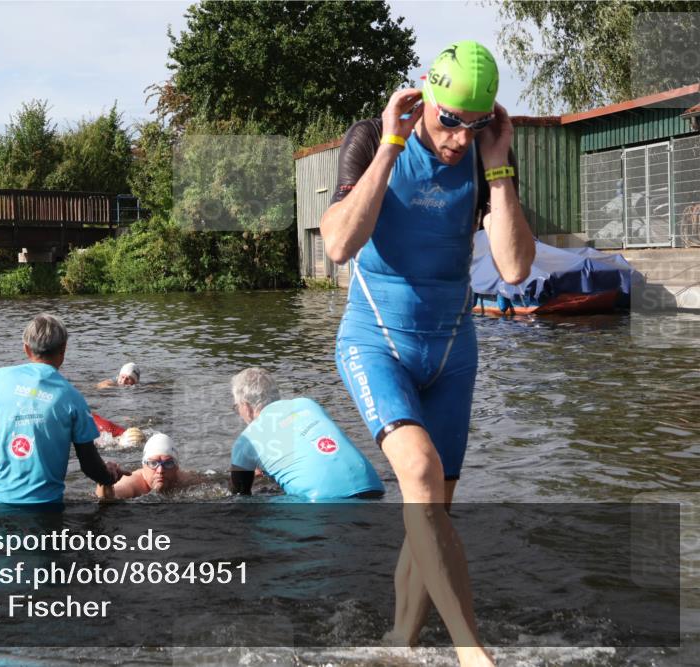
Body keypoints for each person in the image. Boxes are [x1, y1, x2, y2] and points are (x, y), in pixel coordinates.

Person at [320, 41, 534, 666]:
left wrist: (498, 166)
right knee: (418, 472)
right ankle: (474, 654)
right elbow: (338, 245)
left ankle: (401, 646)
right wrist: (391, 146)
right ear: (424, 95)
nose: (460, 139)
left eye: (476, 124)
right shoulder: (371, 138)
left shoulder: (485, 152)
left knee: (431, 511)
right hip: (375, 340)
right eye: (449, 121)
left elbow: (515, 268)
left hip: (451, 351)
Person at [0, 313, 128, 507]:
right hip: (43, 508)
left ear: (26, 348)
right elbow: (89, 465)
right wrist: (110, 476)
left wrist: (2, 434)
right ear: (63, 349)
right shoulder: (72, 397)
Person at [227, 368, 384, 499]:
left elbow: (240, 494)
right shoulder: (308, 404)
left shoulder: (246, 440)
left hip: (325, 503)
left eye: (236, 407)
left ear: (246, 406)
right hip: (373, 489)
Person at [97, 433, 200, 500]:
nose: (160, 470)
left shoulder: (187, 480)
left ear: (176, 467)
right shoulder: (133, 483)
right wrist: (106, 480)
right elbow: (108, 497)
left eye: (168, 463)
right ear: (143, 465)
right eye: (153, 463)